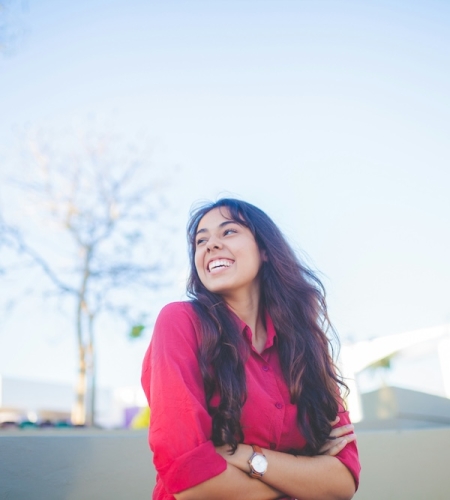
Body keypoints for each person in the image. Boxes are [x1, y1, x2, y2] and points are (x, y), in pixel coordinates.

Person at [141, 198, 360, 500]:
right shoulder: (180, 322)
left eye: (228, 232)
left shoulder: (308, 345)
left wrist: (244, 457)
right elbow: (191, 481)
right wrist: (302, 477)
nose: (210, 245)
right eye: (200, 240)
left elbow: (343, 481)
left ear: (265, 250)